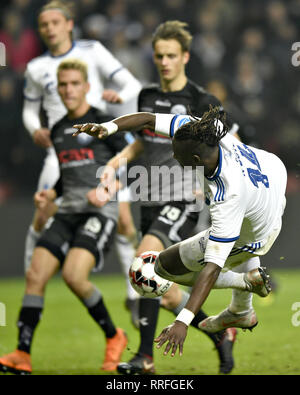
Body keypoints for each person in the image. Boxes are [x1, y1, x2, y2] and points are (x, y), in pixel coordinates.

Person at [77, 21, 241, 375]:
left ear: (184, 57)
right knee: (160, 290)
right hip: (148, 195)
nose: (164, 62)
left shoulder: (201, 100)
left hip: (183, 197)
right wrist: (118, 161)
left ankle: (144, 357)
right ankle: (218, 332)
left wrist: (209, 183)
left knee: (144, 263)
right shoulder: (147, 96)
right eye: (159, 56)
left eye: (171, 56)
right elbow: (143, 142)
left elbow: (223, 151)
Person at [72, 105, 286, 361]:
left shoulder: (227, 196)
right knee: (239, 231)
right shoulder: (201, 131)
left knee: (163, 266)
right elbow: (149, 120)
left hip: (258, 233)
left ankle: (245, 283)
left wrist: (183, 322)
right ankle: (242, 310)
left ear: (195, 160)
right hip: (272, 172)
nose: (173, 156)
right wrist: (110, 126)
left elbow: (211, 269)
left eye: (176, 153)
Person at [0, 59, 129, 375]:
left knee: (74, 276)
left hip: (98, 212)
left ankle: (115, 336)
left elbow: (128, 159)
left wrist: (108, 187)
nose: (68, 90)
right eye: (63, 84)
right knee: (35, 275)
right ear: (57, 89)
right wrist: (50, 195)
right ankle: (22, 353)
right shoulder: (59, 130)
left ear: (86, 87)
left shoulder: (102, 121)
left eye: (74, 84)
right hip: (67, 210)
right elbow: (67, 175)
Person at [22, 0, 141, 321]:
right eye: (44, 24)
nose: (49, 29)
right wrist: (36, 130)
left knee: (125, 222)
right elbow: (30, 111)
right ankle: (34, 286)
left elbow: (131, 84)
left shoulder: (93, 50)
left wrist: (120, 96)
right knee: (41, 212)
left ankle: (135, 295)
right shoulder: (36, 67)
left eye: (55, 22)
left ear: (69, 24)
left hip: (101, 147)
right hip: (61, 152)